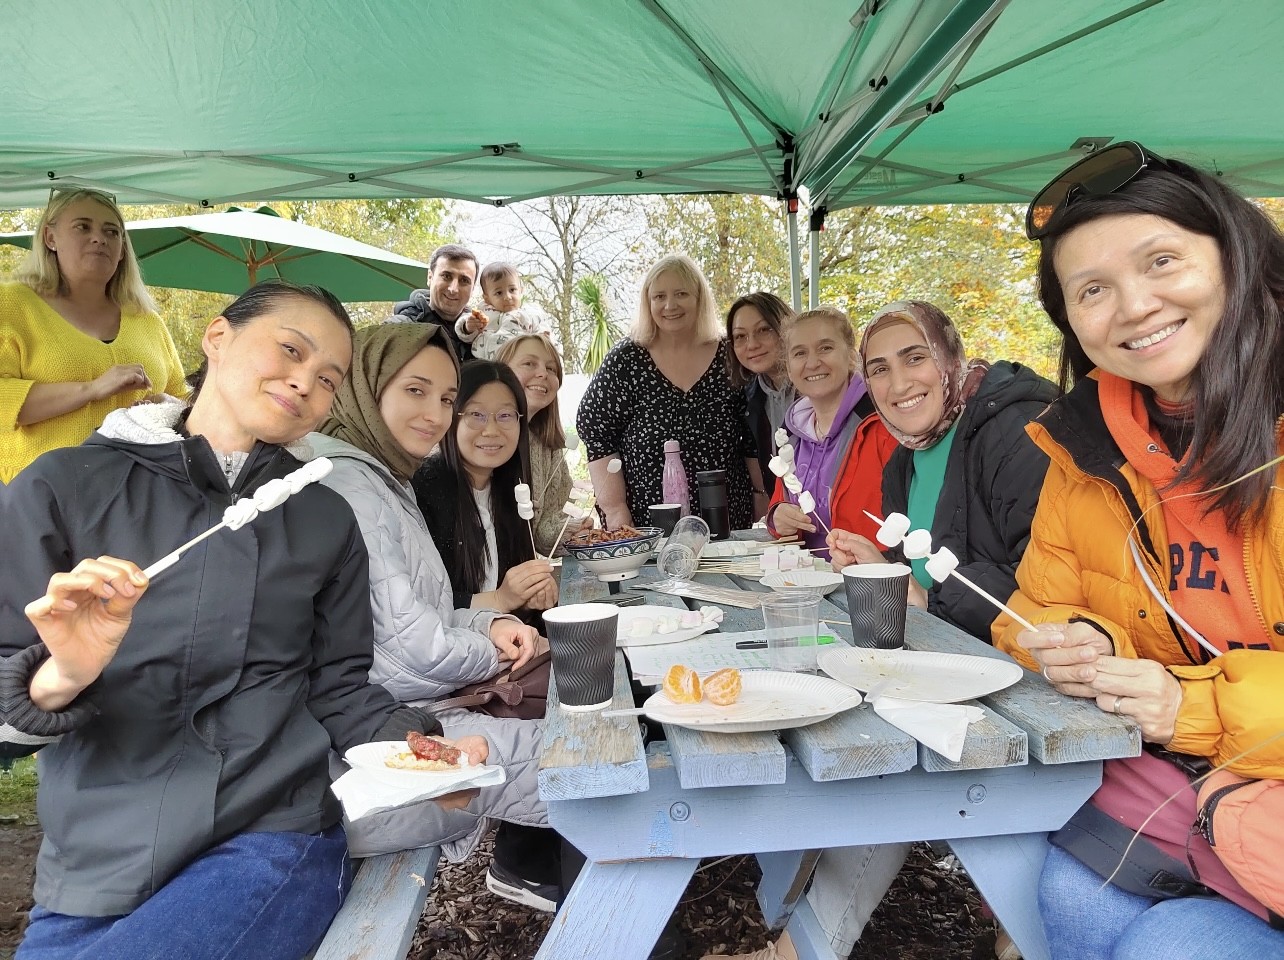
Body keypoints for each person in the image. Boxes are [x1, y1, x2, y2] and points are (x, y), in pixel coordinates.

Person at [0, 281, 481, 960]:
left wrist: (427, 750)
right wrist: (62, 674)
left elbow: (339, 688)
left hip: (272, 839)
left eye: (327, 378)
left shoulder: (323, 519)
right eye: (289, 349)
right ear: (217, 337)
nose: (303, 383)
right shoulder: (63, 487)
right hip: (92, 868)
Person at [991, 143, 1284, 958]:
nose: (1134, 305)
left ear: (1234, 253)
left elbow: (1183, 701)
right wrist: (1083, 642)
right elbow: (1030, 610)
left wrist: (1188, 707)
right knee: (1059, 893)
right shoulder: (1085, 447)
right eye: (1093, 290)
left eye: (1162, 260)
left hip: (1237, 790)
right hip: (1188, 800)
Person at [304, 322, 559, 910]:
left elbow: (420, 615)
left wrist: (491, 625)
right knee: (594, 762)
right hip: (364, 740)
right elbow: (415, 651)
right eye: (415, 392)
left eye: (445, 399)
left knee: (591, 714)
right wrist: (499, 642)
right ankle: (594, 904)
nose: (435, 414)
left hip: (390, 709)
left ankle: (555, 874)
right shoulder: (356, 486)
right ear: (366, 387)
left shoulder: (384, 478)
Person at [828, 301, 1057, 640]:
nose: (900, 384)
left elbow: (1049, 580)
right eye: (879, 369)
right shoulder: (903, 461)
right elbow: (916, 571)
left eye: (916, 358)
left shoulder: (1020, 433)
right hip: (940, 650)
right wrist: (882, 568)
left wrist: (931, 598)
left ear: (947, 355)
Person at [0, 187, 188, 484]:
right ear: (50, 238)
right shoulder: (11, 304)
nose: (99, 238)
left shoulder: (148, 321)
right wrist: (92, 389)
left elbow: (183, 400)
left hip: (137, 499)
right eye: (82, 227)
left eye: (112, 232)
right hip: (42, 502)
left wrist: (169, 406)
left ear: (123, 250)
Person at [577, 254, 766, 530]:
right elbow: (598, 435)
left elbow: (752, 439)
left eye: (681, 294)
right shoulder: (627, 359)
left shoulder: (730, 354)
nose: (669, 305)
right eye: (659, 296)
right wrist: (615, 510)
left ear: (699, 297)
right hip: (648, 530)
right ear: (647, 302)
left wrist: (762, 502)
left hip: (728, 524)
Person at [412, 361, 559, 616]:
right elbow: (420, 607)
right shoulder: (420, 492)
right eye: (476, 415)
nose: (491, 430)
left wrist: (532, 598)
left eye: (505, 416)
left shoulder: (510, 492)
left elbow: (516, 608)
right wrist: (500, 599)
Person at [763, 306, 888, 554]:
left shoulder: (881, 423)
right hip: (807, 579)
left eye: (825, 348)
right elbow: (780, 502)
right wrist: (777, 517)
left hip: (868, 580)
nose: (812, 362)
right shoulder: (791, 433)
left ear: (852, 357)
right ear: (788, 367)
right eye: (799, 353)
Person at [496, 333, 590, 556]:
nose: (542, 374)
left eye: (551, 369)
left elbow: (543, 534)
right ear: (500, 371)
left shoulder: (549, 450)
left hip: (524, 576)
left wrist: (573, 530)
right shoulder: (478, 438)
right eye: (529, 363)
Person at [726, 292, 796, 499]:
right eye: (740, 336)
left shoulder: (816, 384)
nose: (752, 344)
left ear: (786, 329)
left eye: (764, 330)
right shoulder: (750, 396)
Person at [390, 242, 483, 362]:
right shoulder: (398, 329)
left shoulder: (484, 337)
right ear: (430, 277)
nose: (453, 289)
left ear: (473, 289)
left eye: (464, 280)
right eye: (446, 276)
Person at [456, 262, 552, 361]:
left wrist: (543, 337)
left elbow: (543, 329)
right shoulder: (483, 314)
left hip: (522, 360)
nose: (507, 297)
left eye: (512, 290)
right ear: (487, 298)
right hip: (490, 365)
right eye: (499, 293)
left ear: (521, 291)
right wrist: (468, 327)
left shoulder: (530, 313)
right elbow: (463, 329)